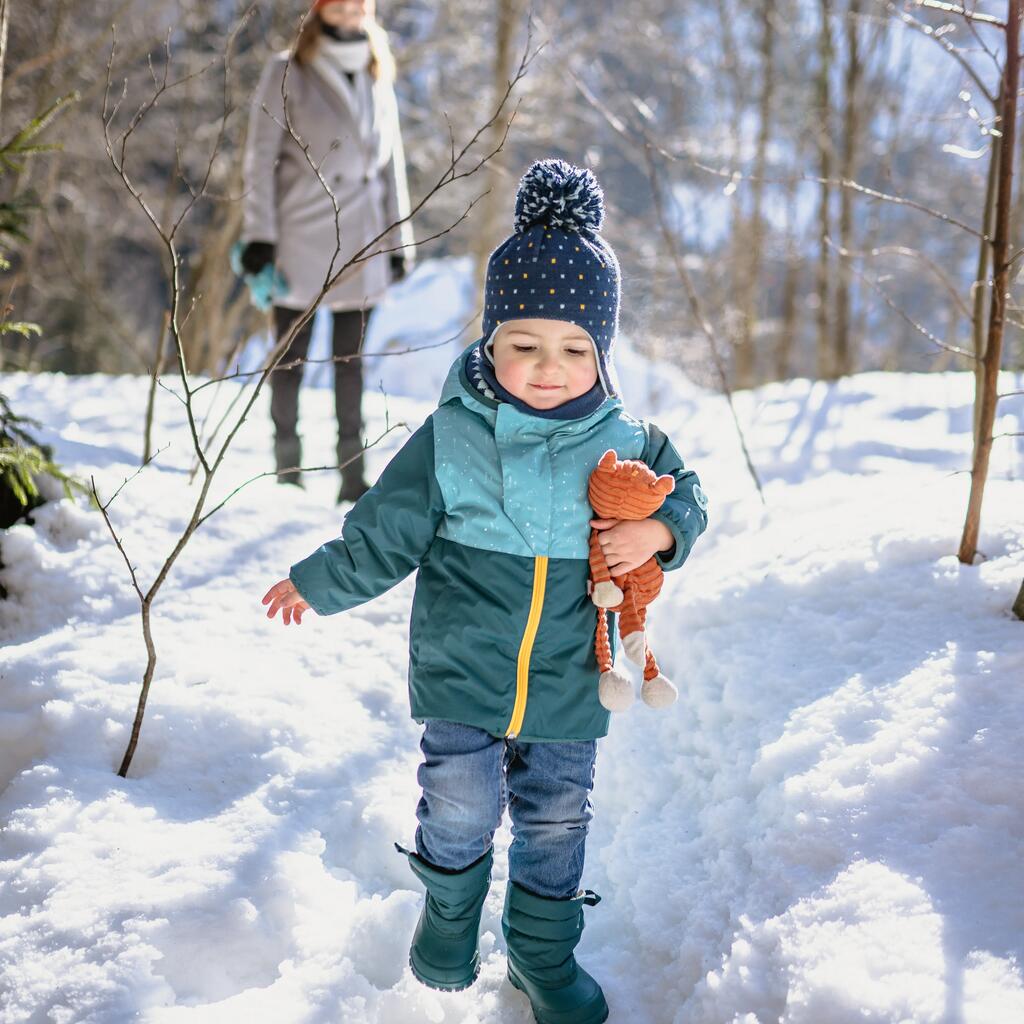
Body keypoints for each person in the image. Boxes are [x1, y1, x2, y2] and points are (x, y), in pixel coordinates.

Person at [261, 159, 709, 1024]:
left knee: (555, 823)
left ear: (602, 351)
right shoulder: (451, 437)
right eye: (525, 345)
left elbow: (687, 493)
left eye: (575, 348)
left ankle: (542, 959)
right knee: (460, 807)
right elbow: (384, 529)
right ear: (490, 341)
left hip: (572, 680)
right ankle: (451, 912)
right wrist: (317, 582)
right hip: (463, 668)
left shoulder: (628, 440)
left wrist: (658, 531)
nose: (549, 367)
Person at [240, 0, 415, 502]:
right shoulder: (288, 69)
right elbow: (259, 160)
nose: (351, 7)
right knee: (290, 359)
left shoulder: (378, 71)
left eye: (361, 1)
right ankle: (287, 468)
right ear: (320, 8)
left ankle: (352, 473)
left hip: (363, 243)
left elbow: (391, 166)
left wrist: (398, 241)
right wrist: (260, 236)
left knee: (351, 363)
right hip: (300, 237)